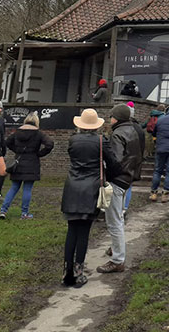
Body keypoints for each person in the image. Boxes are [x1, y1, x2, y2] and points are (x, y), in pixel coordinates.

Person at [60, 108, 120, 288]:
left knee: (71, 230)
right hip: (91, 187)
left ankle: (67, 272)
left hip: (72, 186)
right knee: (83, 232)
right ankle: (79, 272)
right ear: (96, 126)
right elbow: (113, 162)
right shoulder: (102, 141)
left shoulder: (72, 141)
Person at [97, 104, 143, 274]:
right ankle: (117, 247)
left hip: (117, 179)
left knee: (113, 220)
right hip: (127, 178)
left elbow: (114, 160)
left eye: (111, 116)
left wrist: (107, 177)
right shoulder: (134, 130)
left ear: (116, 118)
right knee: (119, 216)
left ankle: (117, 260)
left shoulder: (117, 134)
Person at [0, 112, 54, 220]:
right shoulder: (39, 133)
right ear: (36, 121)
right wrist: (39, 154)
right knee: (27, 188)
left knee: (14, 187)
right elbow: (50, 144)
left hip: (18, 163)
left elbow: (8, 142)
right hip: (32, 163)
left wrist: (17, 151)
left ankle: (3, 210)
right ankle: (24, 213)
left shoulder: (17, 132)